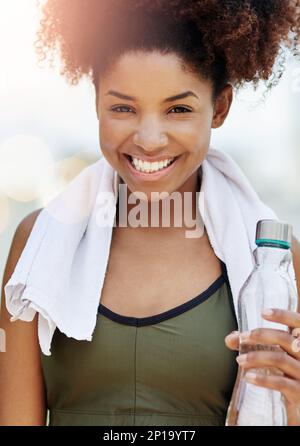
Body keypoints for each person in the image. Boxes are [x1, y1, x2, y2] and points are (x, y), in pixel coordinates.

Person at [1, 0, 300, 426]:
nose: (149, 139)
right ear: (97, 101)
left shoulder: (273, 259)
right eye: (123, 107)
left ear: (219, 108)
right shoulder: (37, 244)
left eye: (178, 109)